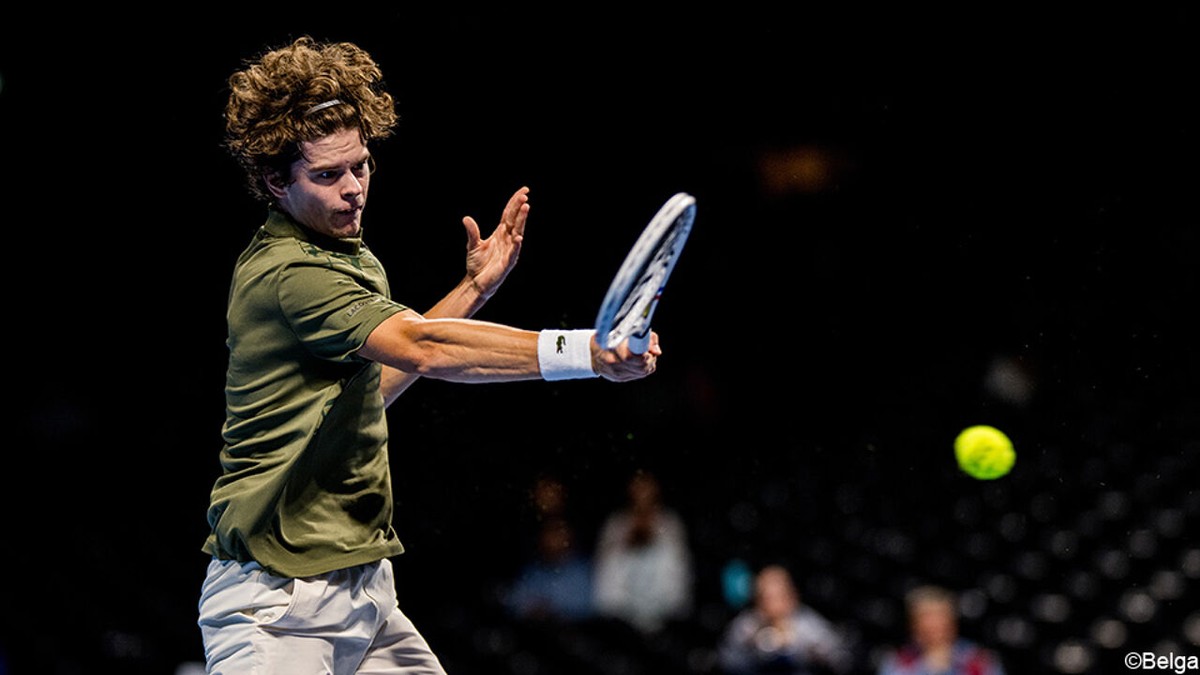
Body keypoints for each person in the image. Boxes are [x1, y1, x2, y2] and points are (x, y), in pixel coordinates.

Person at [197, 36, 661, 675]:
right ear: (276, 181)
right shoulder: (289, 274)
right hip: (277, 606)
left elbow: (377, 383)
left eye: (360, 166)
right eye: (327, 175)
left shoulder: (349, 258)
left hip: (363, 592)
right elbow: (424, 346)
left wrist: (474, 288)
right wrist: (588, 351)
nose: (354, 189)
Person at [593, 470, 693, 634]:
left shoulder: (670, 522)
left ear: (656, 488)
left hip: (664, 611)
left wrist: (652, 536)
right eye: (638, 486)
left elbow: (679, 565)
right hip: (622, 613)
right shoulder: (616, 524)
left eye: (646, 486)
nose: (642, 492)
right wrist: (627, 540)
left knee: (668, 554)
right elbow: (605, 565)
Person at [718, 565, 854, 675]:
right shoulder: (745, 625)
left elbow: (839, 658)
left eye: (778, 597)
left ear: (791, 596)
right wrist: (750, 647)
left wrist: (812, 652)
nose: (772, 604)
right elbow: (727, 661)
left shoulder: (807, 623)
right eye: (766, 597)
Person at [877, 585, 1005, 675]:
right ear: (914, 625)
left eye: (939, 617)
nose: (933, 626)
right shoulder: (897, 663)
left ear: (952, 622)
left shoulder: (980, 661)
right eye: (926, 618)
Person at [504, 516, 595, 622]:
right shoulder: (531, 572)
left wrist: (553, 611)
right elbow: (514, 605)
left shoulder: (585, 571)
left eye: (558, 532)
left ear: (570, 535)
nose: (552, 539)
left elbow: (591, 609)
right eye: (548, 533)